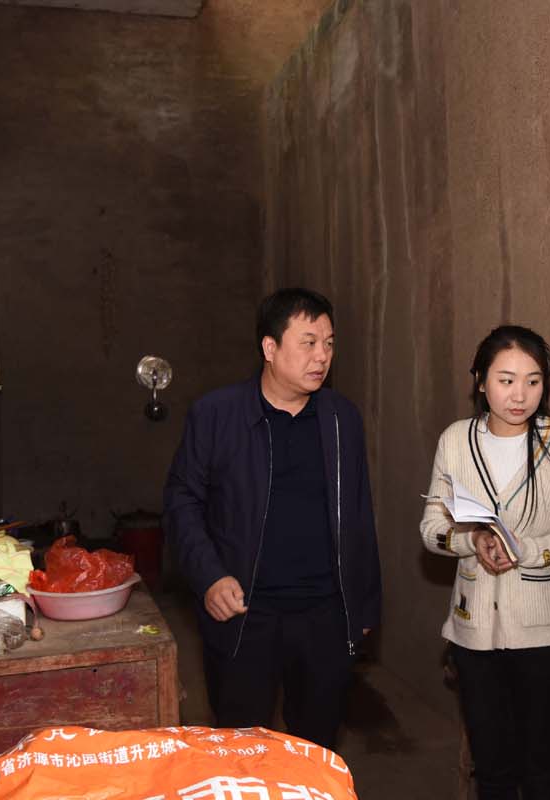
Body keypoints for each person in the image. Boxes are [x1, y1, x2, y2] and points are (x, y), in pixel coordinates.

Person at [163, 287, 381, 750]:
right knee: (242, 751)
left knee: (315, 752)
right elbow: (182, 501)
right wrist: (209, 577)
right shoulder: (217, 415)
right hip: (246, 614)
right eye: (308, 342)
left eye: (329, 343)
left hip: (324, 615)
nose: (322, 356)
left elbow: (359, 512)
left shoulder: (341, 418)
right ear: (270, 347)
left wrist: (363, 604)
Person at [420, 325, 550, 800]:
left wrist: (527, 548)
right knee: (493, 770)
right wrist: (472, 540)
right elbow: (431, 529)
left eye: (533, 381)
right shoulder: (456, 440)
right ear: (480, 381)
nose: (520, 395)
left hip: (545, 634)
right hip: (474, 635)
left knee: (541, 770)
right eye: (506, 380)